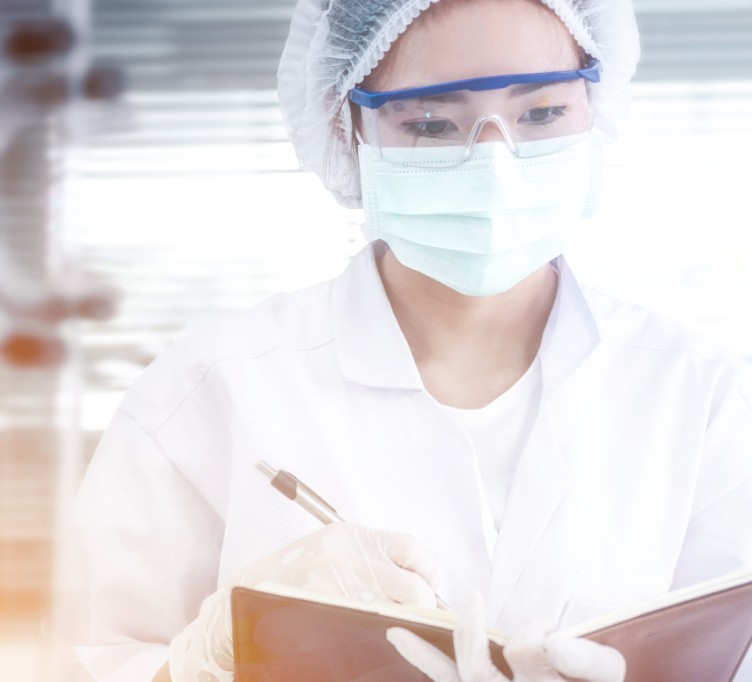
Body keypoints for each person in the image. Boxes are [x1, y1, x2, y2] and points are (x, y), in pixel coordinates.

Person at [64, 0, 752, 680]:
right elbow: (93, 661)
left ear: (594, 111)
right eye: (431, 123)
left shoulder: (706, 394)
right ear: (346, 129)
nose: (495, 163)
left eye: (541, 113)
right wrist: (213, 658)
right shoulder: (207, 396)